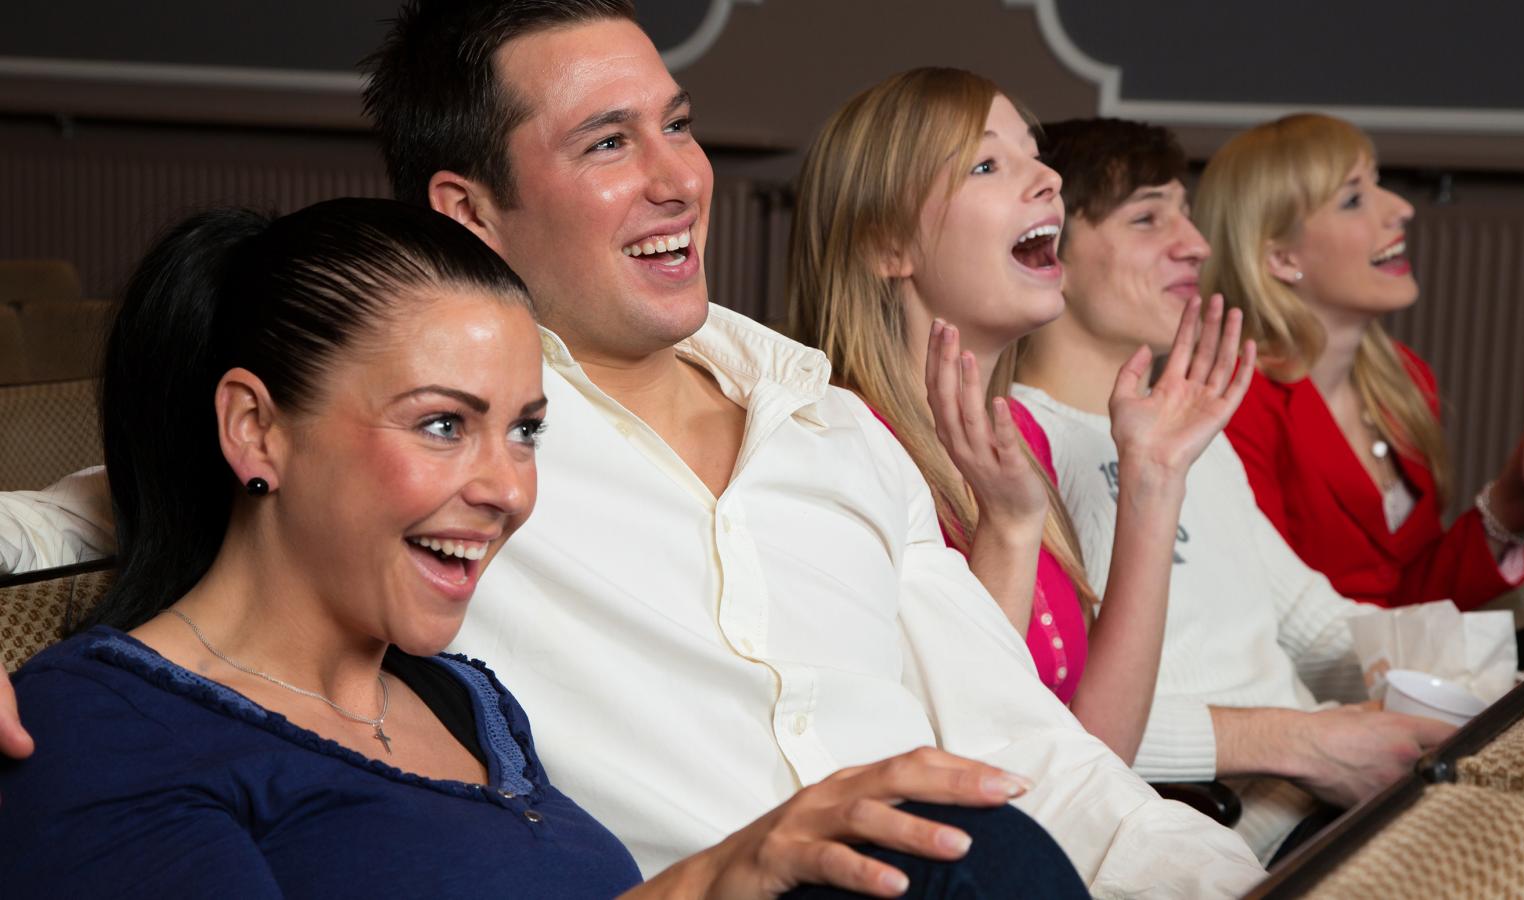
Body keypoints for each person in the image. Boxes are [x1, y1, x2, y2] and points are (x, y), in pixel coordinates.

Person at [0, 3, 1267, 893]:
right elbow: (94, 515)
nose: (681, 178)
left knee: (975, 840)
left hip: (963, 872)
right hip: (797, 883)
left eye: (678, 123)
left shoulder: (828, 424)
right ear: (468, 211)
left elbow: (1029, 749)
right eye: (608, 142)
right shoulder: (418, 459)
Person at [0, 197, 1091, 899]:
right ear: (255, 430)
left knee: (948, 838)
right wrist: (710, 881)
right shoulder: (100, 728)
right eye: (442, 424)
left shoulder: (462, 701)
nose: (507, 489)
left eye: (525, 431)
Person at [1011, 118, 1456, 862]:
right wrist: (1302, 741)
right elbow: (1054, 724)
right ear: (1049, 248)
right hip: (1229, 833)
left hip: (1329, 798)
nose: (1196, 244)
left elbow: (1313, 623)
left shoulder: (1189, 425)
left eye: (1185, 214)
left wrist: (1491, 680)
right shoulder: (1016, 448)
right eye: (1148, 218)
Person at [788, 67, 1253, 766]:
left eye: (1035, 156)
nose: (1049, 179)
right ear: (888, 246)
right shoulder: (837, 449)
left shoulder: (1021, 437)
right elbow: (966, 767)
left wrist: (1155, 478)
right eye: (986, 165)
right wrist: (1007, 529)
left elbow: (1096, 752)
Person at [1192, 112, 1524, 611]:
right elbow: (1272, 618)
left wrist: (1509, 507)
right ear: (1282, 259)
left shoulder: (1404, 378)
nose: (1401, 208)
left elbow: (1411, 598)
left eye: (1378, 183)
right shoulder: (1234, 404)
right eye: (1354, 199)